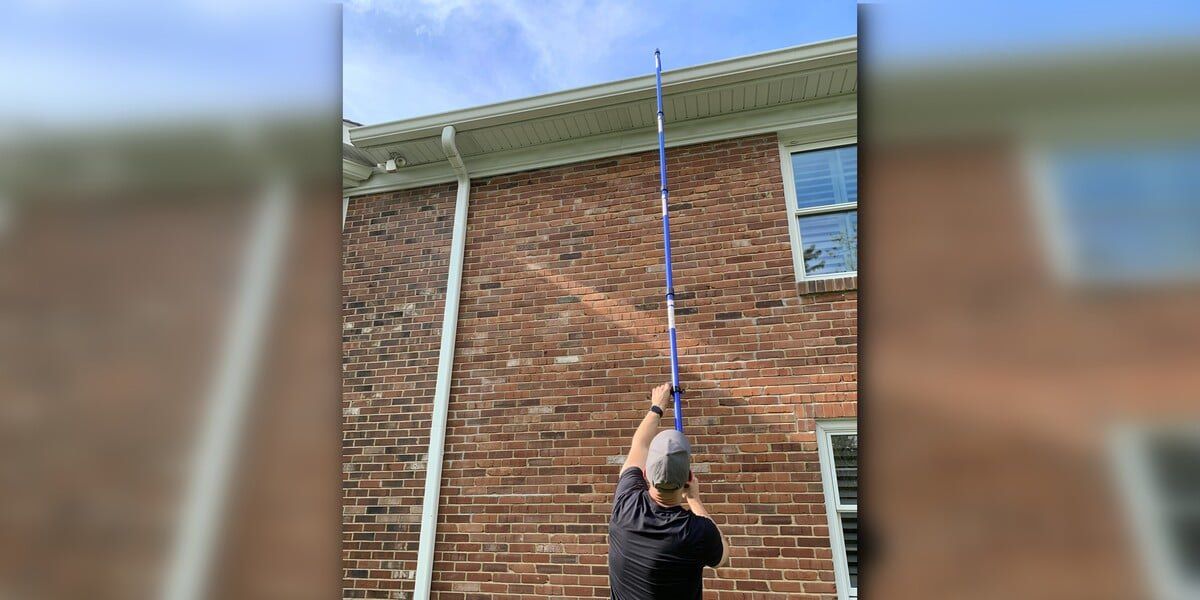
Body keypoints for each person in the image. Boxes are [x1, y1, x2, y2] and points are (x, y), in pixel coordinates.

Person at [608, 382, 730, 599]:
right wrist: (694, 500)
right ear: (689, 478)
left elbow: (639, 445)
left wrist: (657, 407)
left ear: (645, 474)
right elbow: (722, 557)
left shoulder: (626, 504)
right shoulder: (698, 532)